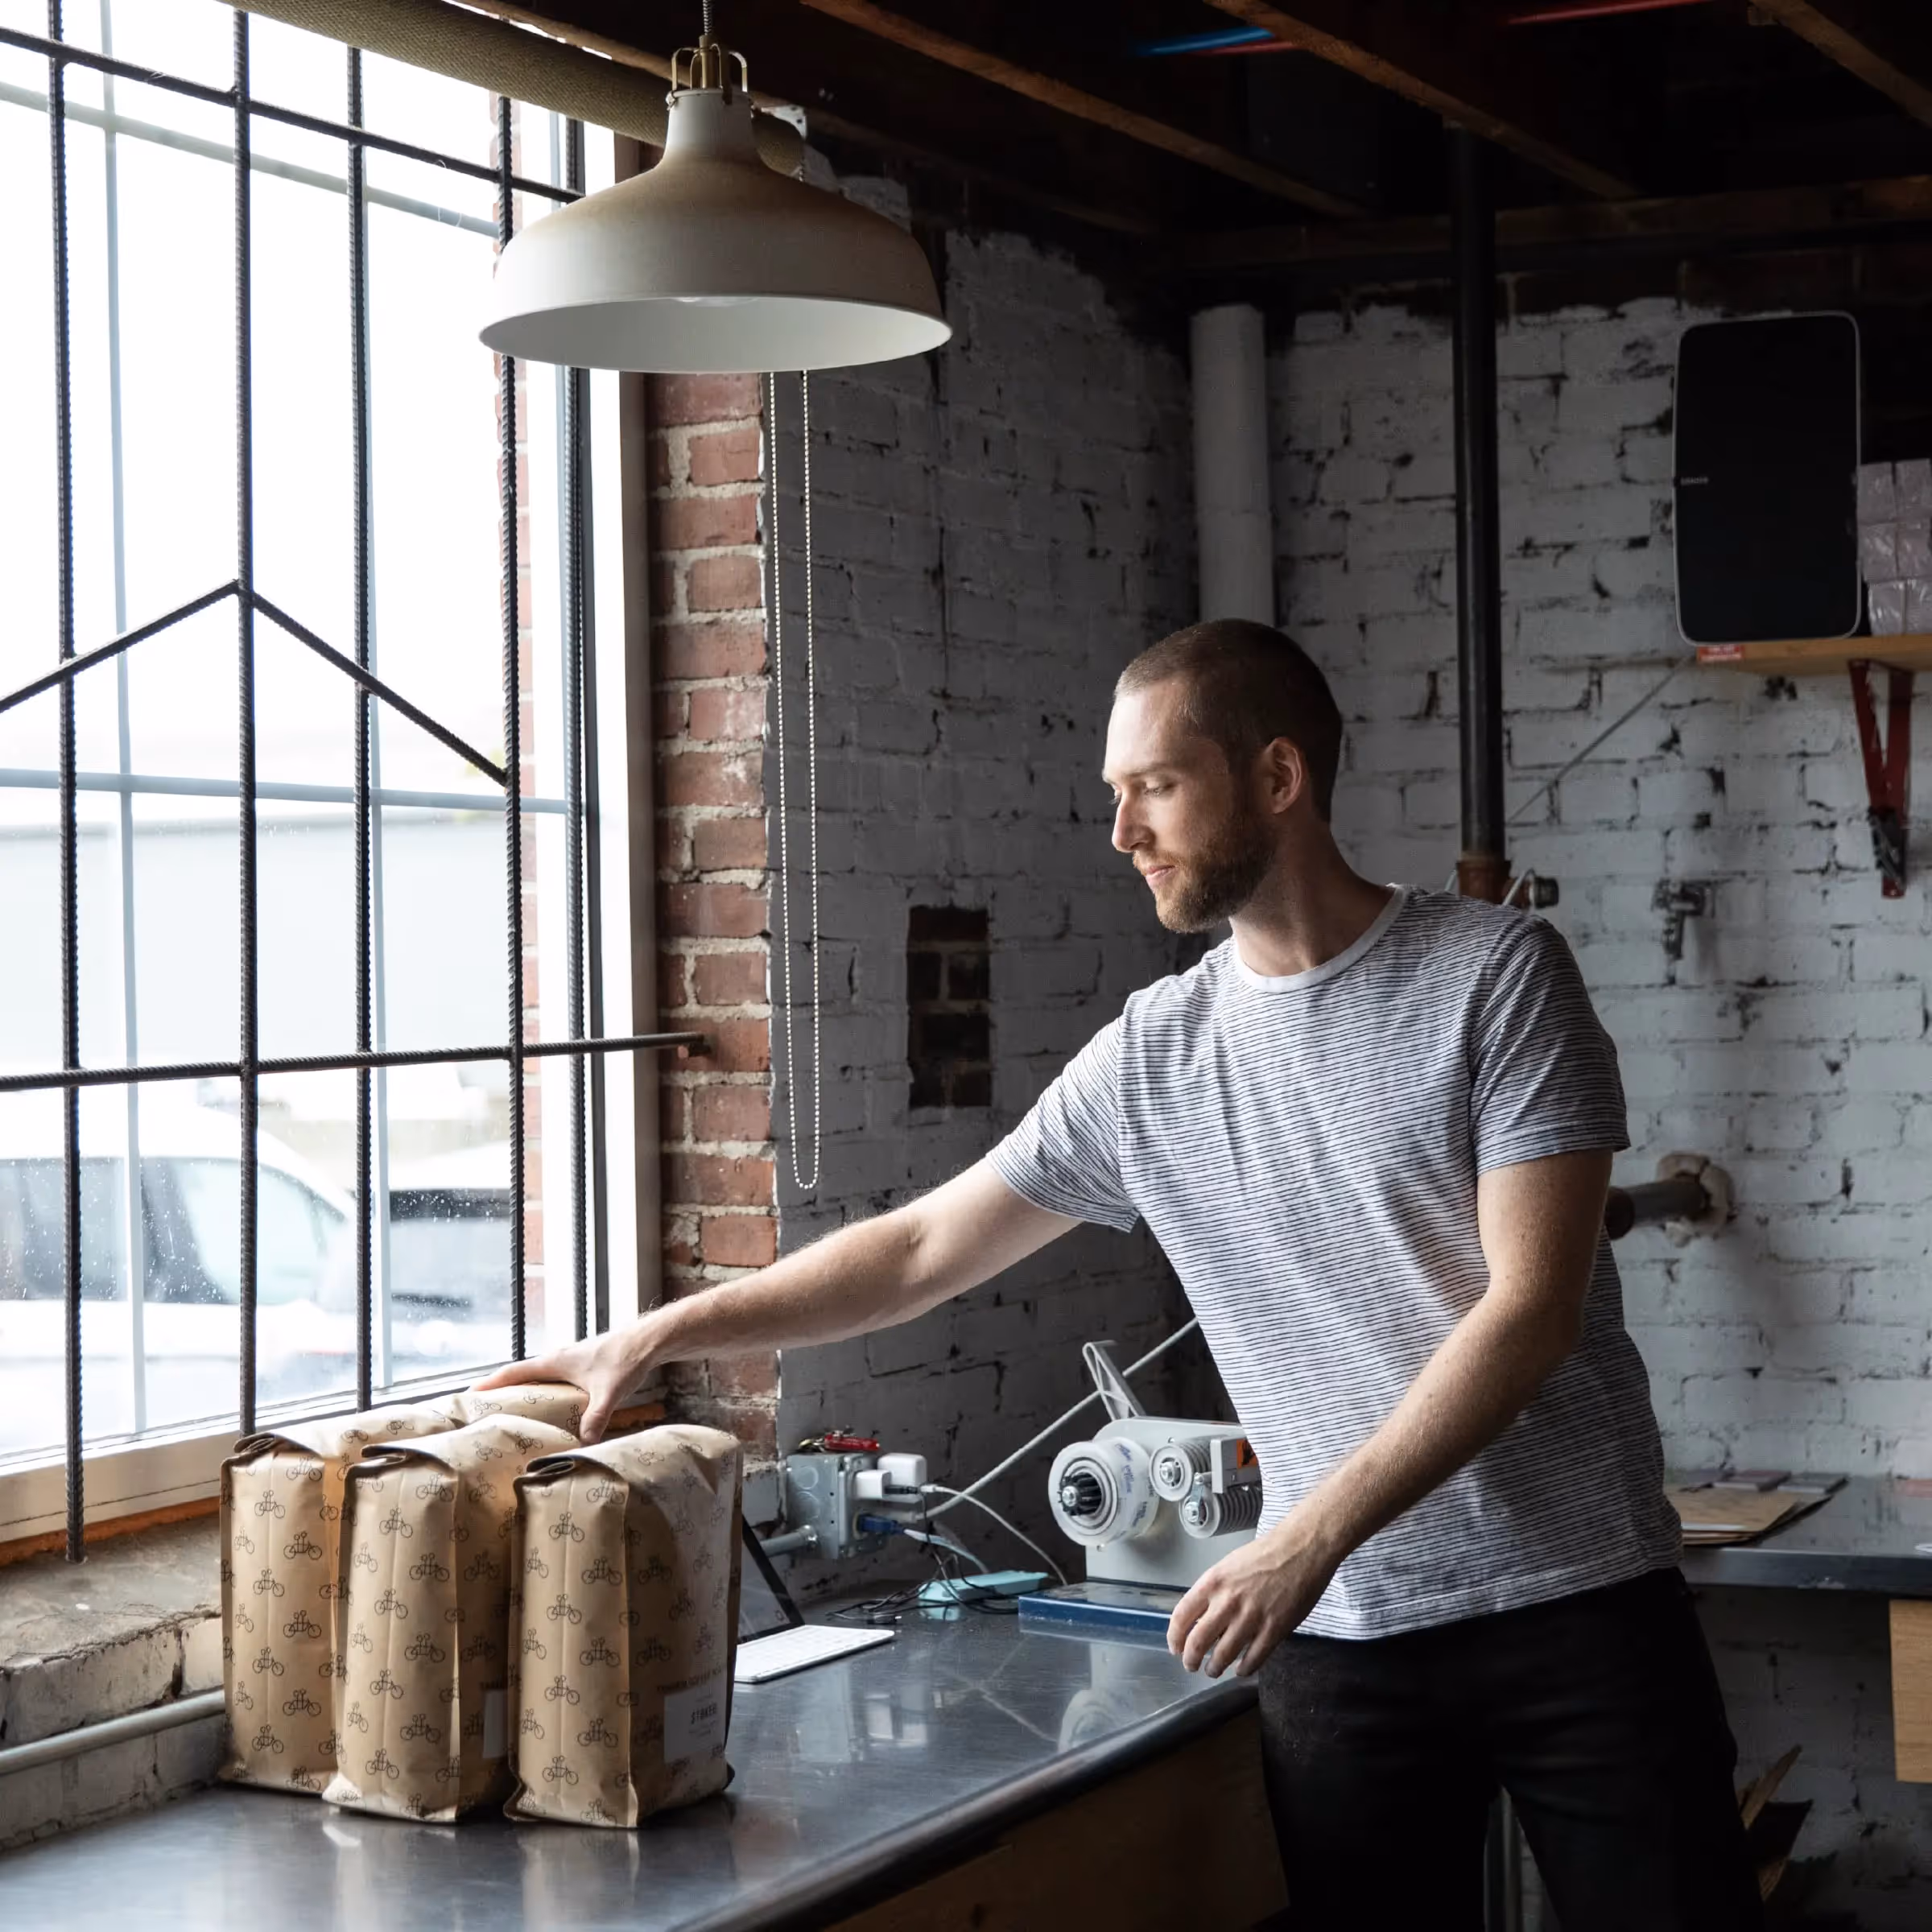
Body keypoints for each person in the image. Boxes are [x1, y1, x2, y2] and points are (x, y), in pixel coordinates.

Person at [480, 618, 1763, 1930]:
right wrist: (658, 1329)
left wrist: (1302, 1540)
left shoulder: (1493, 976)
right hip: (1338, 1647)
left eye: (1154, 786)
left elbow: (1531, 1311)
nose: (1122, 833)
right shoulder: (1154, 1055)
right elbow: (924, 1248)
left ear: (1277, 779)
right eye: (1114, 795)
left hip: (1574, 1607)